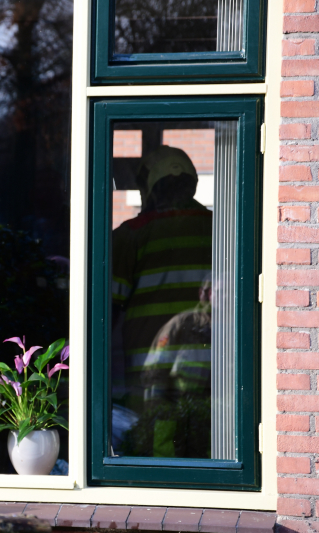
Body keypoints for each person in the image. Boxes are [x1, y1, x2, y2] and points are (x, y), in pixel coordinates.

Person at [111, 145, 212, 458]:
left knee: (155, 451)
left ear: (149, 187)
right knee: (205, 444)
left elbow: (106, 311)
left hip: (150, 368)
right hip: (211, 364)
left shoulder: (130, 235)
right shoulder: (221, 229)